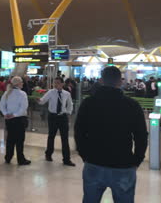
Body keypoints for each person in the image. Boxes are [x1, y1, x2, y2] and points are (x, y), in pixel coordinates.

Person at [74, 66, 148, 203]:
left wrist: (85, 155)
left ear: (101, 81)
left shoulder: (88, 103)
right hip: (123, 164)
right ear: (120, 82)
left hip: (94, 162)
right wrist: (137, 160)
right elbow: (141, 136)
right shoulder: (132, 105)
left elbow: (79, 131)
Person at [38, 77, 76, 166]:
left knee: (65, 138)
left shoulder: (66, 93)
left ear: (62, 84)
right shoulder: (51, 92)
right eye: (55, 83)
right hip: (53, 117)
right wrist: (39, 100)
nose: (56, 84)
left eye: (58, 83)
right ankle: (48, 154)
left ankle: (66, 159)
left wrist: (68, 113)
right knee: (51, 136)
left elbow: (70, 104)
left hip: (63, 117)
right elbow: (43, 101)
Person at [0, 76, 31, 165]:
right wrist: (15, 115)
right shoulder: (22, 94)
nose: (23, 84)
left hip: (9, 120)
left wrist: (6, 114)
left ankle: (8, 157)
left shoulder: (6, 93)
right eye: (21, 82)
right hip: (19, 120)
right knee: (19, 140)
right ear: (18, 84)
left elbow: (2, 105)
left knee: (10, 139)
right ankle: (20, 159)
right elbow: (23, 107)